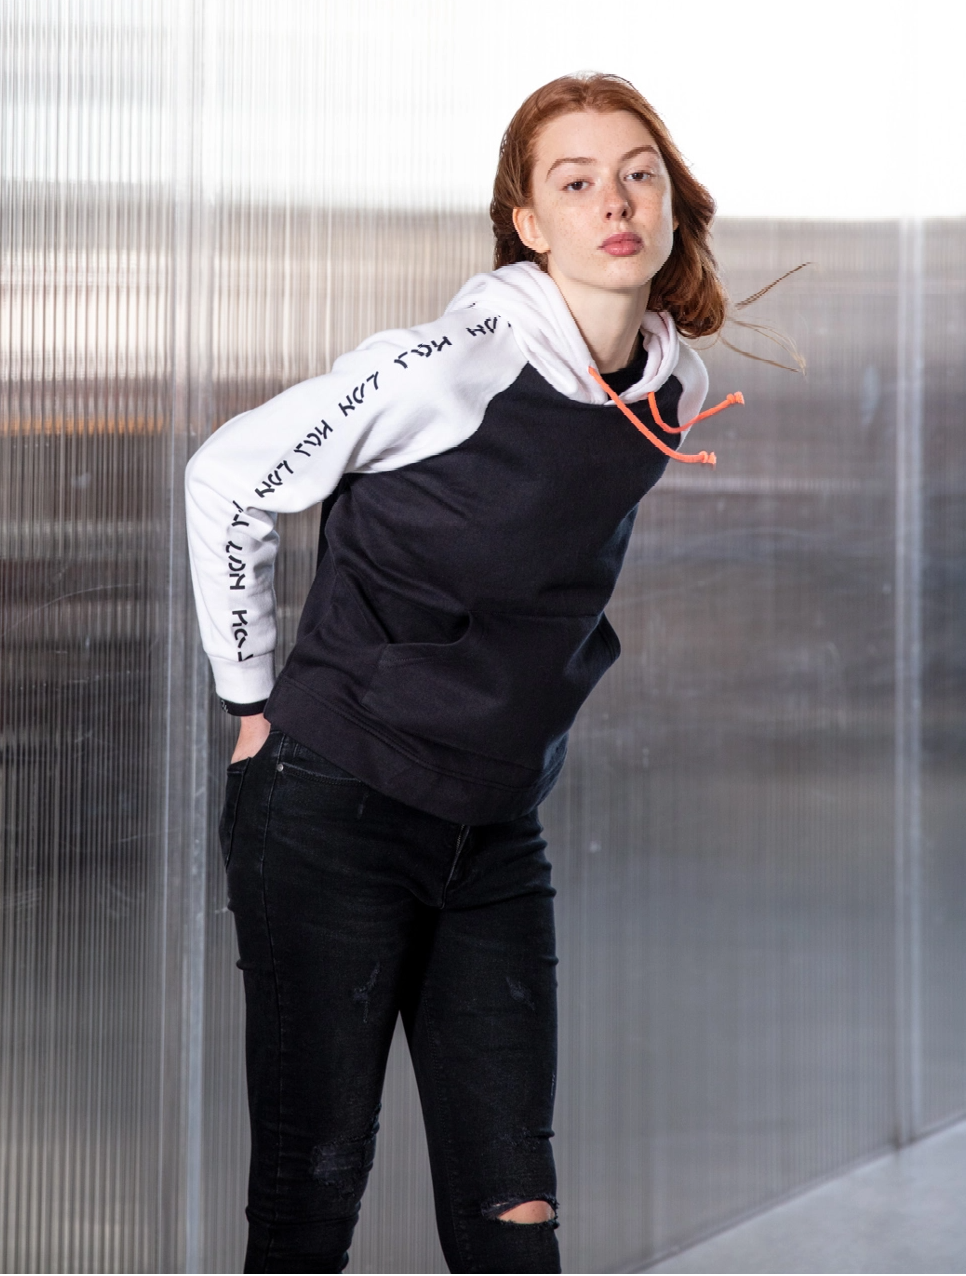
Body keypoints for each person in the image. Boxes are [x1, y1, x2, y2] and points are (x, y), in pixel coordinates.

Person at [185, 71, 738, 1276]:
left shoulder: (669, 382)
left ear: (674, 200)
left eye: (639, 173)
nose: (617, 202)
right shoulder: (451, 363)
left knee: (515, 1205)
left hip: (492, 828)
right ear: (527, 221)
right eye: (576, 181)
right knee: (312, 1192)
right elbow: (228, 475)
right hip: (336, 806)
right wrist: (249, 699)